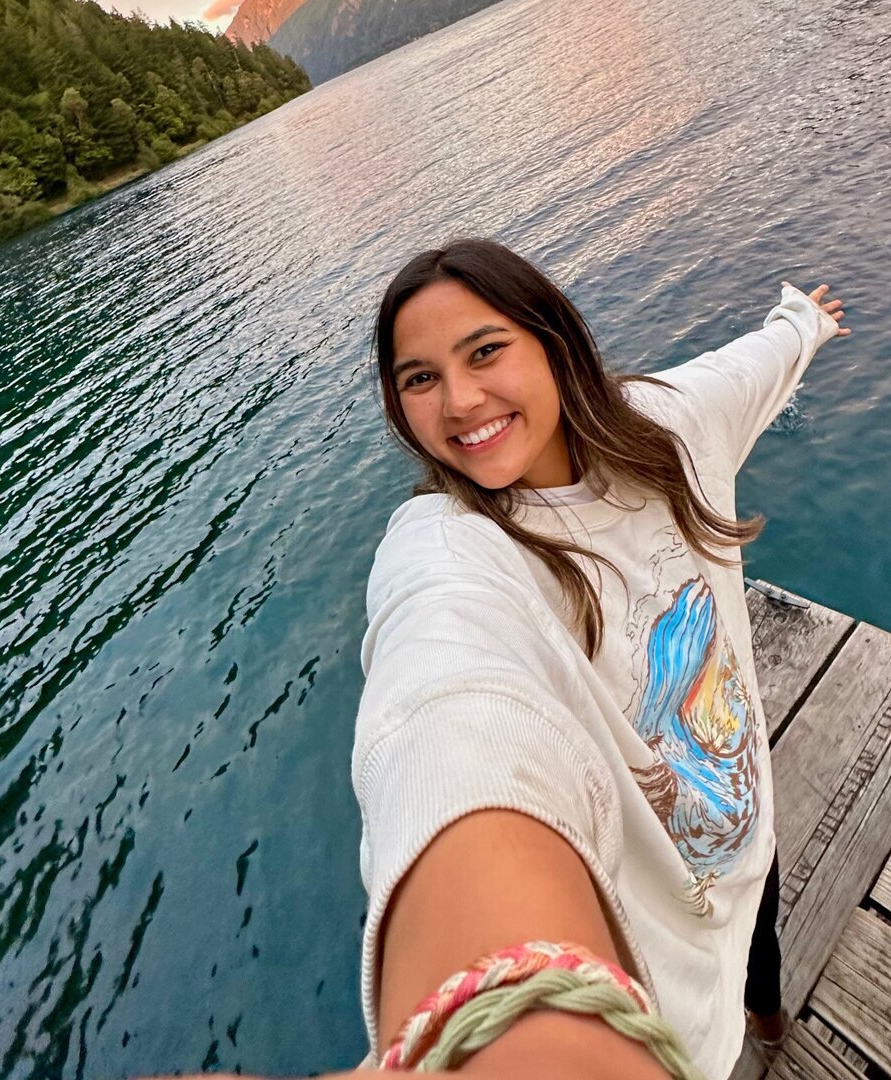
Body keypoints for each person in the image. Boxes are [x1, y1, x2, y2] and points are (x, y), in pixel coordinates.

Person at [352, 237, 850, 1080]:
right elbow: (444, 711)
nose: (461, 401)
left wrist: (803, 322)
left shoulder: (665, 426)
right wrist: (472, 1028)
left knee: (762, 943)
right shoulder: (449, 553)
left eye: (485, 351)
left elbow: (751, 365)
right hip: (661, 952)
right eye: (420, 378)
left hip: (746, 836)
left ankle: (772, 1025)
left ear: (554, 340)